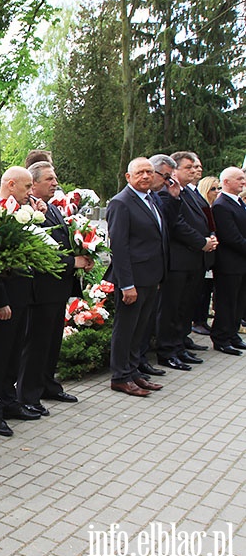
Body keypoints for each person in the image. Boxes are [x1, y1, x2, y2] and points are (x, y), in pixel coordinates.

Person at [17, 161, 90, 415]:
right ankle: (27, 394)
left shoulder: (51, 208)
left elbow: (63, 242)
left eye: (55, 178)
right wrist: (74, 261)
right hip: (40, 288)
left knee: (52, 342)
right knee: (36, 344)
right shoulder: (25, 211)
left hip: (57, 286)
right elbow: (37, 250)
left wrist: (85, 250)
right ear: (33, 184)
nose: (55, 183)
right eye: (49, 179)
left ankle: (48, 384)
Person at [105, 157, 180, 396]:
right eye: (140, 173)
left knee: (141, 329)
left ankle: (134, 370)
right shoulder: (121, 203)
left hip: (151, 277)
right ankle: (120, 376)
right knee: (126, 328)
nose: (146, 176)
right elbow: (120, 246)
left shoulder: (151, 200)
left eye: (149, 172)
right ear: (129, 177)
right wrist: (127, 284)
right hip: (133, 280)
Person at [0, 167, 41, 437]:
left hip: (23, 295)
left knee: (14, 351)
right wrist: (0, 301)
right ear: (12, 184)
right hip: (3, 301)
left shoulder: (19, 212)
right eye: (27, 187)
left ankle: (9, 401)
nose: (30, 192)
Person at [154, 152, 216, 371]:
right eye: (188, 167)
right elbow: (176, 224)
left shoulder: (187, 192)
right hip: (178, 258)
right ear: (174, 170)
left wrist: (209, 236)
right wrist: (201, 241)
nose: (194, 171)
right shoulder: (166, 193)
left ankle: (179, 345)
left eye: (195, 167)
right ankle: (167, 350)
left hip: (193, 259)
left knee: (184, 307)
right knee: (171, 308)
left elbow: (202, 218)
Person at [209, 167, 246, 356]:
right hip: (229, 263)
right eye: (239, 179)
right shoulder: (221, 205)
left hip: (241, 262)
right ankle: (221, 337)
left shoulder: (239, 202)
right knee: (226, 302)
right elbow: (231, 237)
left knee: (239, 301)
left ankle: (232, 333)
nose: (243, 182)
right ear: (226, 182)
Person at [191, 176, 221, 336]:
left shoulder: (211, 207)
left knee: (206, 289)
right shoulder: (203, 207)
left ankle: (202, 319)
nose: (217, 192)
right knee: (201, 291)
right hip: (201, 253)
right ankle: (198, 320)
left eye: (218, 188)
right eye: (213, 189)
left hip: (210, 255)